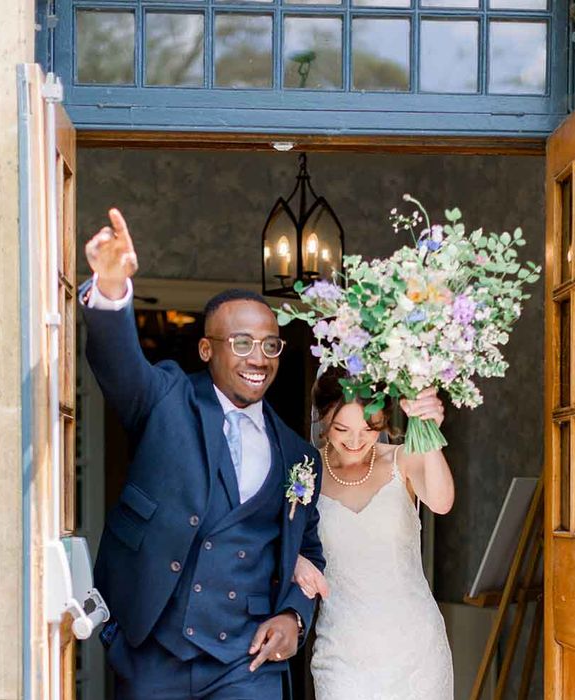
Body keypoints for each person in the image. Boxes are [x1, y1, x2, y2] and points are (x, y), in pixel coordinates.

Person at [81, 209, 325, 699]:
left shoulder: (300, 454)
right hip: (152, 651)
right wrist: (110, 289)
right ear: (208, 350)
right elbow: (121, 367)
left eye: (270, 345)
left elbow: (309, 553)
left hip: (246, 660)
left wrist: (294, 617)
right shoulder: (165, 399)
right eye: (242, 343)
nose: (259, 357)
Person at [293, 366, 455, 700]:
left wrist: (428, 434)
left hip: (418, 652)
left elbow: (441, 502)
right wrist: (295, 560)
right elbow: (278, 538)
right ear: (322, 418)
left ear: (383, 420)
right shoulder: (303, 474)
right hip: (342, 653)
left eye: (369, 428)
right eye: (342, 429)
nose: (355, 441)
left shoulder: (403, 460)